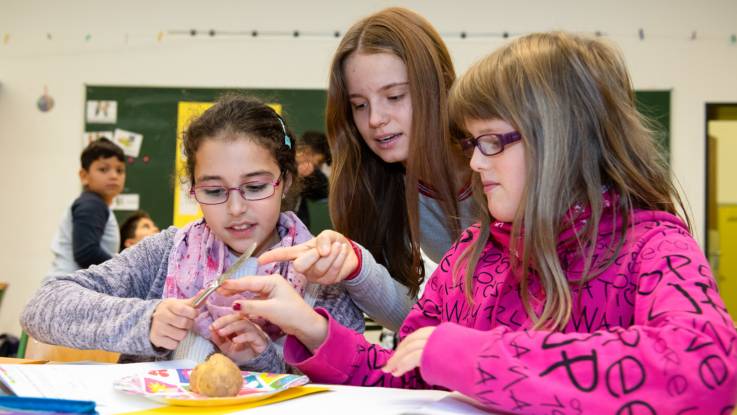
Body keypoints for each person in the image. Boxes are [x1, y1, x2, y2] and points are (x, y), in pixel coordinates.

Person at [219, 32, 737, 413]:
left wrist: (480, 356)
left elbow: (708, 366)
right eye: (471, 144)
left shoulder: (651, 245)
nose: (475, 164)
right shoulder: (473, 251)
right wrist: (310, 327)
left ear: (560, 141)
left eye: (492, 142)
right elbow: (406, 374)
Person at [21, 95, 363, 372]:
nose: (236, 209)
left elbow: (352, 376)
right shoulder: (169, 251)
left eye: (255, 187)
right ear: (194, 189)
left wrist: (261, 359)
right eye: (214, 191)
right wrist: (146, 320)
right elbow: (43, 306)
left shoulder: (319, 269)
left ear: (285, 181)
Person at [260, 7, 476, 332]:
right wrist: (357, 268)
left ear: (438, 87)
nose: (375, 119)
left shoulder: (496, 165)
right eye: (360, 105)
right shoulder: (381, 186)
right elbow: (412, 321)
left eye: (394, 95)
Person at [49, 137, 126, 275]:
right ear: (84, 176)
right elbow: (86, 253)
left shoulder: (95, 204)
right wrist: (123, 270)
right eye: (103, 169)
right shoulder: (91, 204)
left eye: (119, 170)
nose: (114, 176)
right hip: (70, 290)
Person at [294, 131, 330, 229]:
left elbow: (324, 192)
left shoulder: (310, 175)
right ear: (307, 152)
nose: (316, 166)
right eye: (318, 162)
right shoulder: (279, 165)